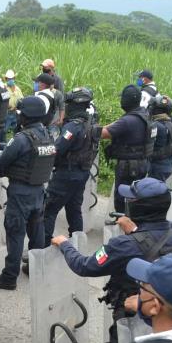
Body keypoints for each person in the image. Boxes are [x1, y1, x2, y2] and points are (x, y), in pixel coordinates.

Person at [52, 177, 172, 343]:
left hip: (131, 323)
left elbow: (85, 266)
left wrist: (65, 244)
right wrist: (137, 232)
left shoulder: (124, 245)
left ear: (138, 207)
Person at [0, 96, 56, 290]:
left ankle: (9, 277)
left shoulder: (21, 138)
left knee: (15, 233)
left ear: (26, 115)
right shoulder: (48, 134)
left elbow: (1, 162)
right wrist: (0, 145)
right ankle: (36, 269)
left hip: (20, 193)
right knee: (37, 233)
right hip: (39, 191)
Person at [43, 87, 101, 246]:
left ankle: (42, 249)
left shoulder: (73, 127)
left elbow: (57, 148)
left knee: (48, 210)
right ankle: (77, 246)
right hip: (81, 173)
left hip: (66, 174)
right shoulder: (90, 123)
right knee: (74, 210)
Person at [102, 85, 156, 213]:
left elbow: (103, 134)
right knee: (136, 197)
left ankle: (123, 224)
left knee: (123, 199)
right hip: (141, 163)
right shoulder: (144, 115)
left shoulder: (128, 121)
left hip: (128, 166)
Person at [147, 95, 172, 182]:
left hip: (157, 166)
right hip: (168, 164)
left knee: (152, 191)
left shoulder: (156, 126)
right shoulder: (171, 123)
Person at [3, 69, 23, 136]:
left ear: (14, 78)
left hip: (15, 112)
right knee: (4, 130)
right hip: (6, 112)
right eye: (9, 79)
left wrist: (17, 106)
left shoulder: (17, 89)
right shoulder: (4, 87)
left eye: (11, 78)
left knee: (16, 130)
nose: (10, 80)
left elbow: (21, 99)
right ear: (6, 79)